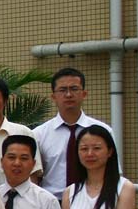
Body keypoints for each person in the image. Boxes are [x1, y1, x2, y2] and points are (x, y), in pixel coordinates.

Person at [35, 68, 117, 199]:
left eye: (74, 89)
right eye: (62, 90)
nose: (68, 94)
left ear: (84, 94)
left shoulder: (103, 131)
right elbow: (34, 176)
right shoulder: (39, 134)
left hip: (93, 200)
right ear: (53, 96)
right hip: (53, 203)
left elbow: (113, 170)